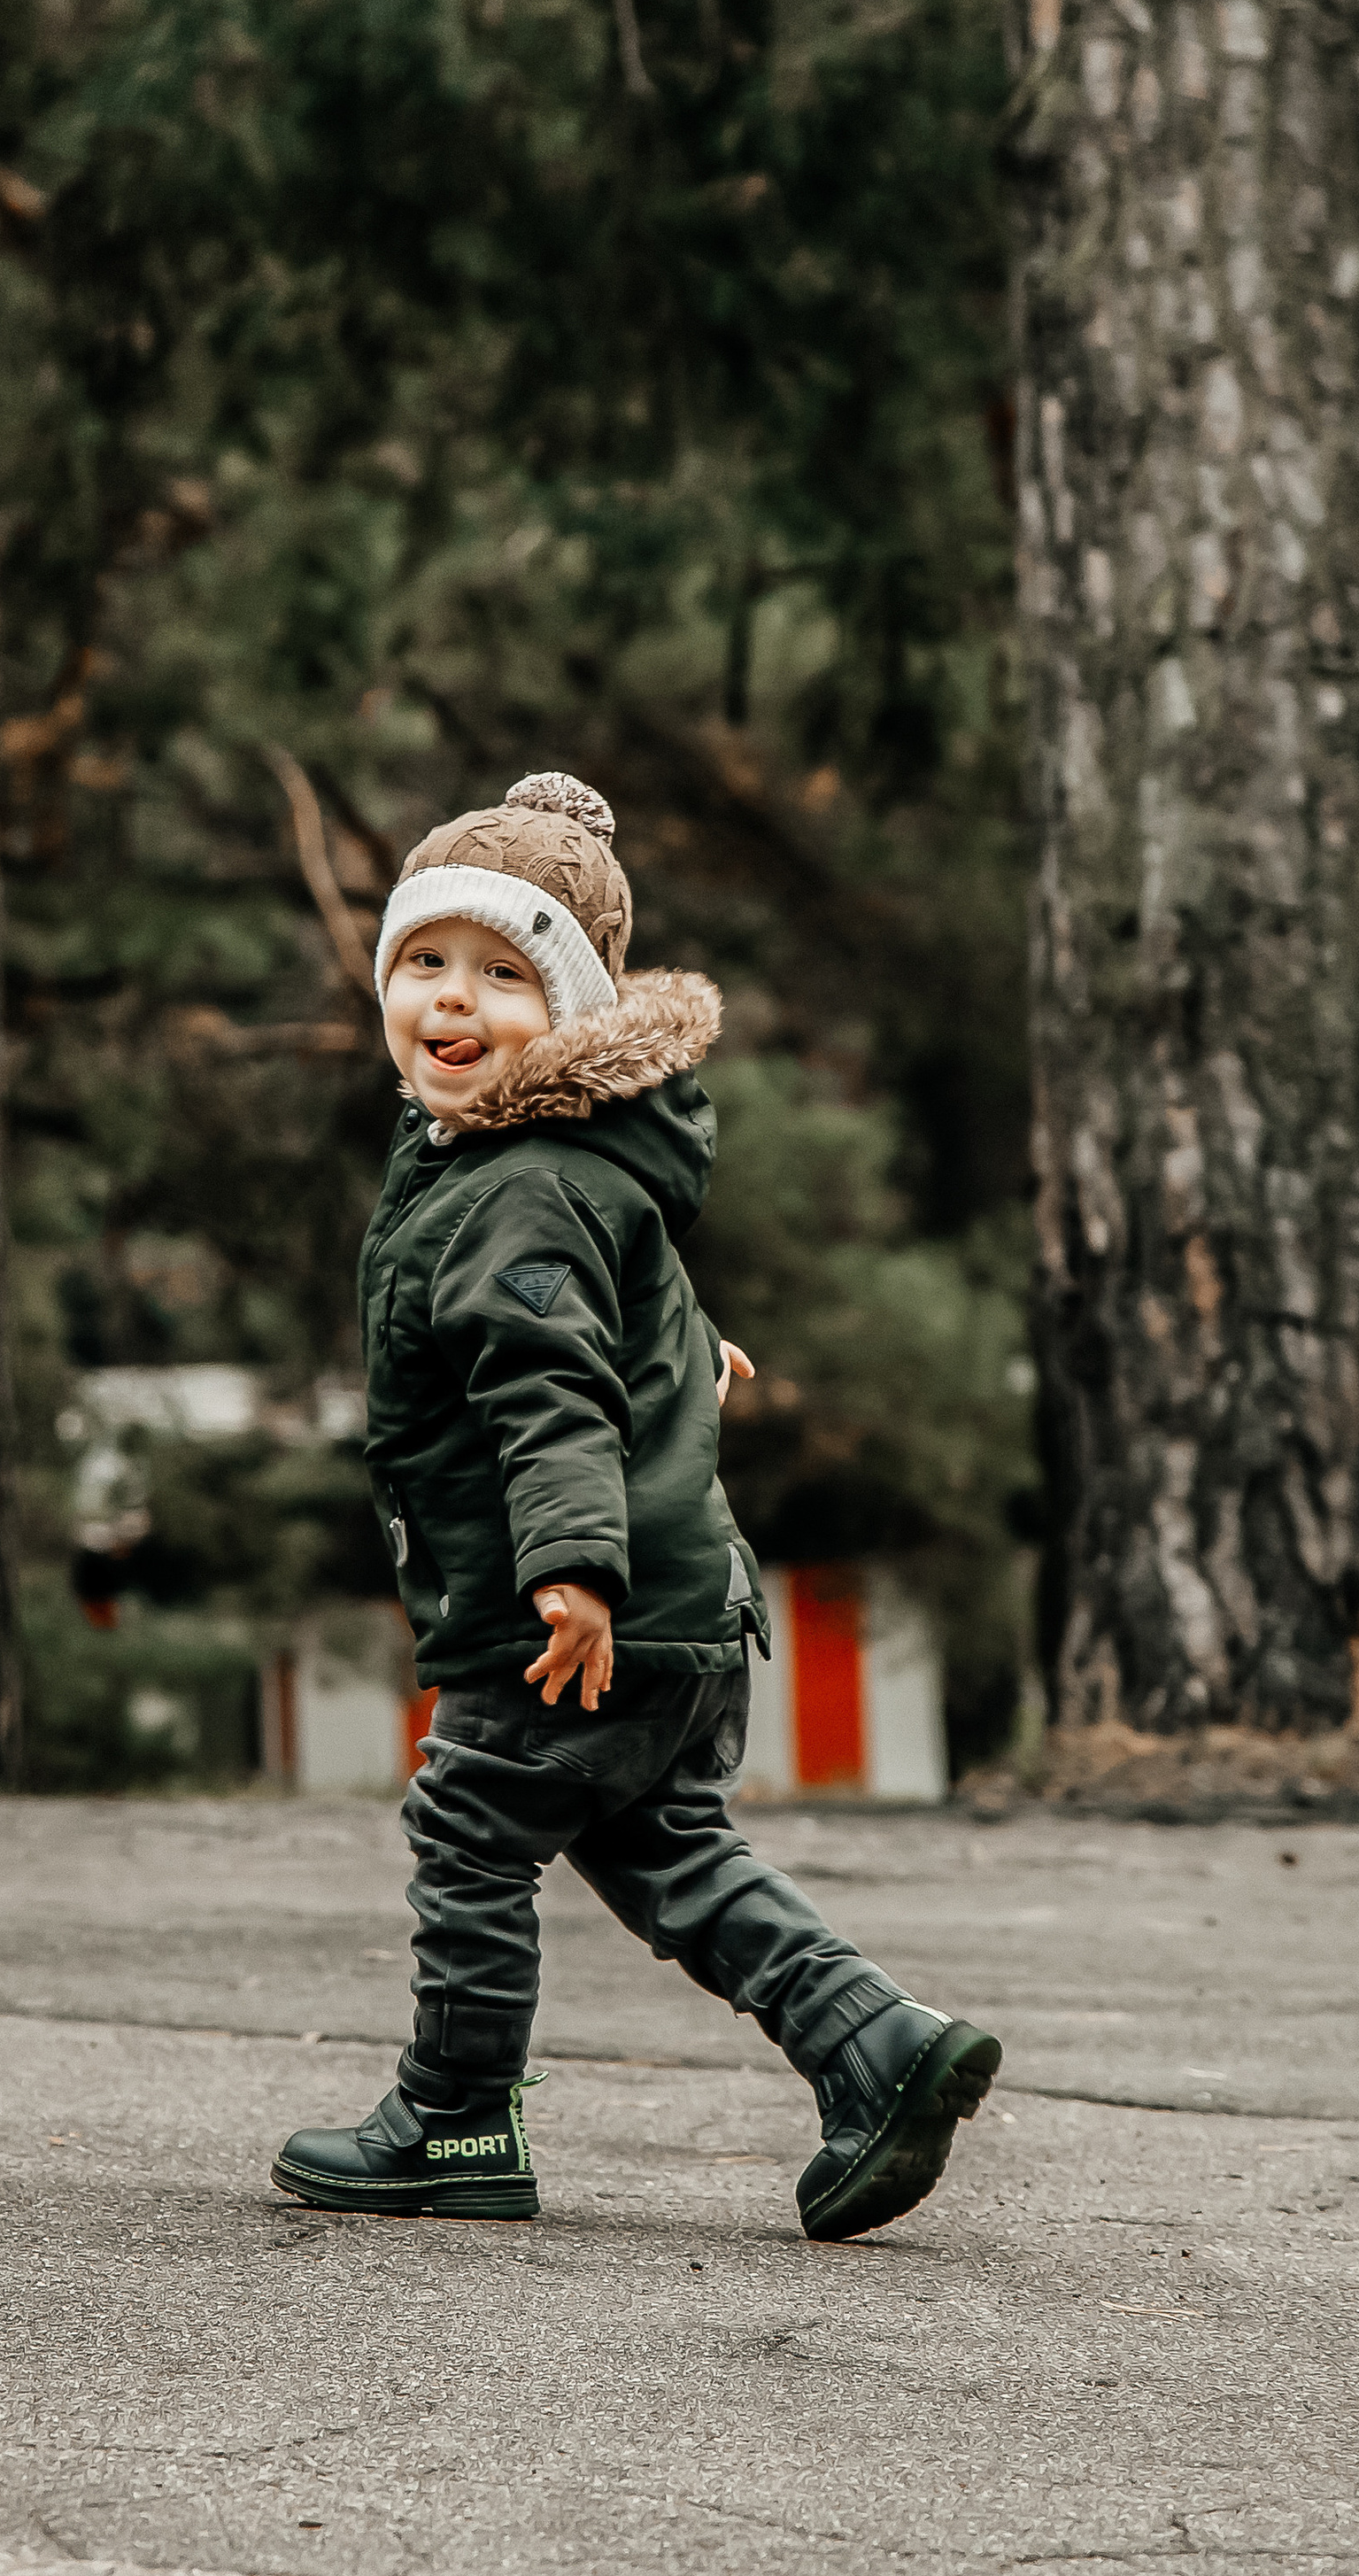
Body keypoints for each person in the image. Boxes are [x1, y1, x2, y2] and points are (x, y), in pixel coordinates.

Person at [271, 771, 1000, 2239]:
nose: (452, 1003)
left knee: (470, 1828)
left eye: (503, 975)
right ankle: (882, 2046)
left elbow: (548, 1393)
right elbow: (617, 1309)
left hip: (577, 1612)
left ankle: (458, 2126)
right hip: (690, 1612)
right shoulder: (558, 1162)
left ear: (575, 1016)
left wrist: (570, 1570)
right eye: (425, 965)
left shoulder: (511, 1187)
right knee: (665, 1846)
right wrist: (689, 1353)